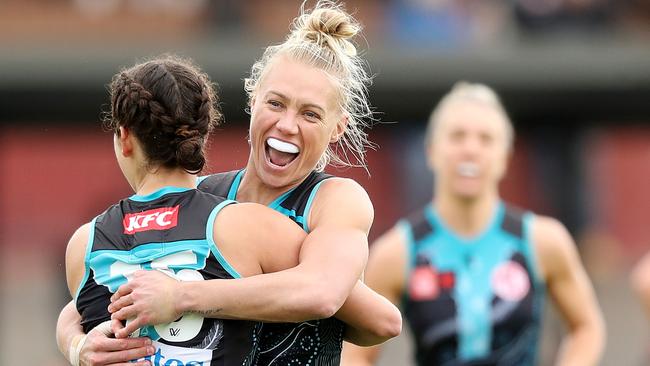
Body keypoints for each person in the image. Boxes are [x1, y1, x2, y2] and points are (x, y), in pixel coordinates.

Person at [57, 2, 401, 365]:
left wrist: (182, 296)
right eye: (276, 103)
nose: (287, 124)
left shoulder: (335, 199)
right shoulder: (200, 198)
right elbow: (94, 294)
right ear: (253, 100)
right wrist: (75, 344)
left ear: (338, 128)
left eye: (310, 114)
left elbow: (328, 295)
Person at [65, 55, 318, 365]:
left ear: (125, 138)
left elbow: (77, 318)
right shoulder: (249, 227)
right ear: (202, 134)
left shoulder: (83, 246)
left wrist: (72, 344)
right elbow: (353, 306)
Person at [341, 82, 605, 365]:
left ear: (504, 158)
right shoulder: (397, 252)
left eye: (485, 139)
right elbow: (357, 354)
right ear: (431, 151)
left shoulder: (542, 241)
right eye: (457, 136)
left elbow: (586, 328)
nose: (470, 149)